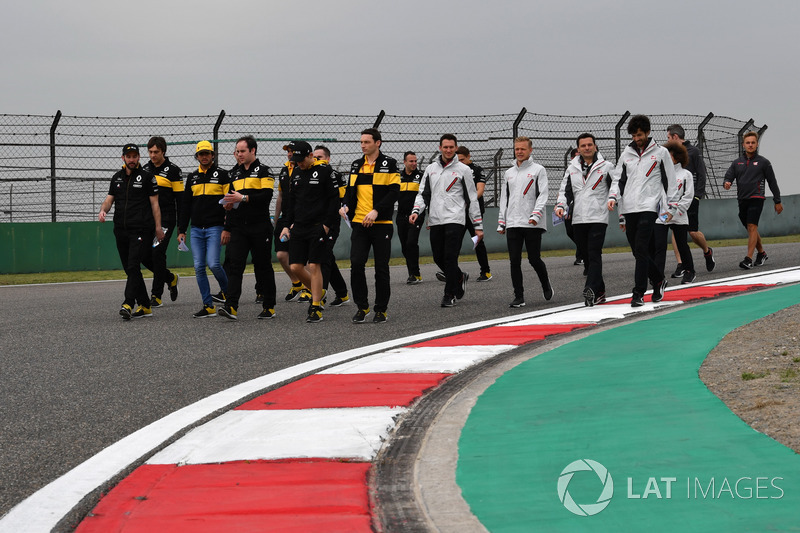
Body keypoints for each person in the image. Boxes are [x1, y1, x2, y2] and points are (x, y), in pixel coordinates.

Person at [610, 114, 679, 307]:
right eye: (633, 135)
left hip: (650, 206)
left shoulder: (661, 153)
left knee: (641, 248)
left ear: (648, 132)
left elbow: (670, 181)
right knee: (637, 251)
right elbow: (618, 180)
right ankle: (658, 280)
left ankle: (638, 292)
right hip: (629, 207)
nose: (636, 139)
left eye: (639, 135)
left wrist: (671, 207)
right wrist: (613, 198)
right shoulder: (626, 154)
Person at [410, 134, 483, 308]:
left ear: (456, 148)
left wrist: (477, 225)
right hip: (435, 219)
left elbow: (472, 199)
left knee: (450, 257)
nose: (448, 150)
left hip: (456, 219)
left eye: (451, 147)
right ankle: (458, 276)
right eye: (445, 147)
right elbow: (423, 194)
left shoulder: (464, 170)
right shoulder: (430, 169)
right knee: (438, 257)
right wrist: (416, 211)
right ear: (440, 148)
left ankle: (449, 294)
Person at [98, 143, 165, 319]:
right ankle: (145, 305)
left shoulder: (147, 177)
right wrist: (103, 210)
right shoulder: (117, 178)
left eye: (135, 156)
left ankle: (128, 303)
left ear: (138, 158)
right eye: (129, 157)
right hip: (120, 230)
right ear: (123, 158)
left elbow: (155, 205)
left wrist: (158, 228)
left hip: (142, 229)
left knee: (134, 265)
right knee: (130, 270)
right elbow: (109, 200)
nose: (132, 159)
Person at [341, 128, 400, 323]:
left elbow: (394, 192)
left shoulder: (389, 163)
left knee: (381, 268)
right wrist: (345, 206)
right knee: (356, 264)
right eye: (361, 142)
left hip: (382, 224)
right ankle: (362, 306)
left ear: (378, 143)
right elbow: (350, 191)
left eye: (367, 142)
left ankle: (381, 309)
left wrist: (376, 211)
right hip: (359, 224)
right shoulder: (356, 164)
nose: (363, 145)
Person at [217, 135, 277, 320]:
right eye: (237, 151)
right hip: (239, 228)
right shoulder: (233, 173)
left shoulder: (264, 171)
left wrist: (242, 198)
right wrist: (228, 218)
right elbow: (231, 201)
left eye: (243, 151)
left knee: (263, 267)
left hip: (260, 227)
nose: (239, 154)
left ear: (253, 151)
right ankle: (231, 306)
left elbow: (266, 197)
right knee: (235, 266)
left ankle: (269, 306)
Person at [280, 141, 340, 323]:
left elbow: (334, 199)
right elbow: (291, 202)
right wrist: (286, 224)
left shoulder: (325, 171)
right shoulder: (296, 173)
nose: (298, 163)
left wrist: (327, 225)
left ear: (310, 156)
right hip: (299, 226)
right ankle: (318, 291)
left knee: (314, 266)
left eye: (301, 159)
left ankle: (315, 306)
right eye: (295, 160)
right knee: (295, 267)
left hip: (318, 226)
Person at [555, 134, 616, 307]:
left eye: (590, 145)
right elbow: (564, 191)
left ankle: (589, 288)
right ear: (578, 149)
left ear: (595, 147)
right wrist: (561, 205)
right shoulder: (572, 168)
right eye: (583, 146)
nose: (587, 148)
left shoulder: (606, 166)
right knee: (587, 256)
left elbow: (615, 186)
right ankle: (601, 290)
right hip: (578, 218)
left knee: (594, 252)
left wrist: (613, 198)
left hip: (598, 216)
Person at [497, 136, 552, 308]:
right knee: (514, 261)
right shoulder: (508, 173)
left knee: (534, 259)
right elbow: (504, 198)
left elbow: (543, 194)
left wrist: (536, 215)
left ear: (530, 150)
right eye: (517, 149)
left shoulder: (538, 170)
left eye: (522, 149)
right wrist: (502, 221)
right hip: (513, 222)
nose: (519, 152)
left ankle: (545, 284)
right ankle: (518, 296)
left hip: (532, 223)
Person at [177, 141, 230, 318]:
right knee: (199, 267)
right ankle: (208, 305)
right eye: (201, 154)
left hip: (216, 227)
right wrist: (181, 230)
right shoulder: (192, 177)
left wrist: (227, 227)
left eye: (207, 153)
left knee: (213, 263)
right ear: (197, 156)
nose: (204, 156)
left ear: (213, 155)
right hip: (197, 229)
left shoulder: (223, 175)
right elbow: (185, 205)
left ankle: (229, 293)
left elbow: (230, 203)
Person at [723, 131, 783, 269]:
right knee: (751, 229)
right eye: (748, 143)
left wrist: (777, 201)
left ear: (756, 144)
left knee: (752, 226)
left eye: (753, 143)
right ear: (743, 145)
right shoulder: (737, 163)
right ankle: (761, 253)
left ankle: (748, 259)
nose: (750, 145)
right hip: (742, 199)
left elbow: (772, 182)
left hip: (757, 198)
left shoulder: (764, 162)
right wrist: (727, 182)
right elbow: (728, 177)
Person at [666, 124, 715, 276]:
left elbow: (701, 173)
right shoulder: (669, 154)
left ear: (675, 137)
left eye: (668, 137)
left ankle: (707, 251)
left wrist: (697, 195)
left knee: (692, 232)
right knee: (675, 229)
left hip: (690, 197)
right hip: (674, 199)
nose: (667, 140)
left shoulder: (694, 151)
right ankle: (681, 264)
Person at [142, 136, 182, 308]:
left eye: (156, 152)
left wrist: (181, 226)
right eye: (150, 152)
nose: (153, 155)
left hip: (166, 219)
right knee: (144, 256)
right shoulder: (143, 169)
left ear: (163, 151)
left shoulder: (173, 170)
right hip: (147, 220)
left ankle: (156, 295)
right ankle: (170, 278)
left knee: (157, 253)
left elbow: (180, 199)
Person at [653, 141, 696, 284]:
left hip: (679, 216)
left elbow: (688, 195)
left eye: (669, 156)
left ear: (677, 157)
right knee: (659, 246)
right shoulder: (659, 175)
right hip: (662, 215)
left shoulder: (686, 174)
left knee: (682, 244)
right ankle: (658, 277)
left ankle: (689, 271)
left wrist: (677, 210)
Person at [313, 145, 349, 306]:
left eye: (319, 157)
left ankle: (321, 294)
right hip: (315, 222)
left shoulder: (335, 176)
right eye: (314, 157)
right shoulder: (310, 175)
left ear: (327, 159)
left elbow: (340, 200)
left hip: (331, 222)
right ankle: (342, 294)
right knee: (327, 258)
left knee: (323, 256)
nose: (316, 160)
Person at [274, 144, 307, 302]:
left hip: (300, 218)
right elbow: (280, 196)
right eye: (288, 152)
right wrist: (276, 219)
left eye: (292, 152)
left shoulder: (303, 169)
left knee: (300, 255)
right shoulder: (283, 170)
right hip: (285, 218)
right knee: (281, 254)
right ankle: (297, 283)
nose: (289, 154)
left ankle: (308, 288)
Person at [456, 146, 492, 282]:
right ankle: (452, 272)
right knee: (454, 243)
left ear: (469, 156)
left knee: (477, 241)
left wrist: (468, 202)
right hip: (458, 213)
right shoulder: (455, 169)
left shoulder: (477, 169)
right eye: (457, 160)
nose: (460, 162)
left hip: (474, 213)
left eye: (462, 159)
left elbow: (480, 190)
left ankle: (486, 271)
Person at [396, 151, 425, 284]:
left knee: (411, 243)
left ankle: (415, 273)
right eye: (411, 161)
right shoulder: (398, 176)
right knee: (404, 246)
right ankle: (412, 273)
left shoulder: (421, 176)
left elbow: (426, 197)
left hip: (416, 215)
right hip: (401, 216)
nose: (414, 164)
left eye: (415, 161)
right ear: (404, 162)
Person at [563, 147, 585, 269]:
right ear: (572, 158)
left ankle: (581, 255)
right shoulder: (570, 170)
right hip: (569, 205)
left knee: (579, 230)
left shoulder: (585, 170)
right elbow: (565, 190)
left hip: (581, 207)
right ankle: (585, 248)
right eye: (576, 156)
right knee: (570, 231)